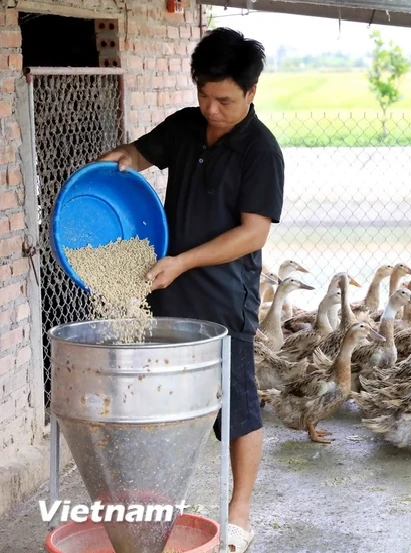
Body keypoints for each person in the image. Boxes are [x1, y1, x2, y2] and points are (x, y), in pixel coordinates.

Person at [97, 27, 283, 553]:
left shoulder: (261, 153)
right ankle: (157, 501)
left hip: (226, 300)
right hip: (167, 292)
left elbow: (253, 232)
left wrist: (183, 261)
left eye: (224, 99)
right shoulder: (186, 126)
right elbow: (137, 154)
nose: (211, 107)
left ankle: (239, 511)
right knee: (159, 401)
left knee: (238, 405)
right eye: (203, 94)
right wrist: (112, 168)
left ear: (251, 93)